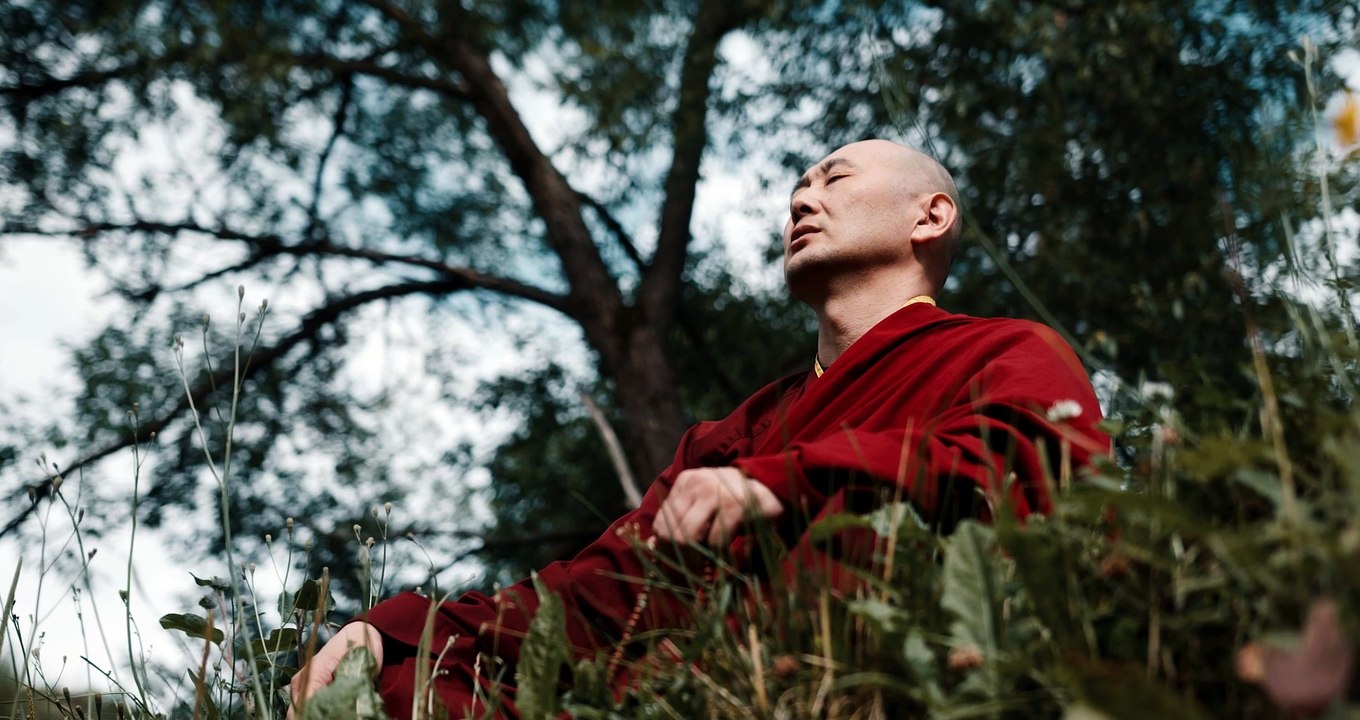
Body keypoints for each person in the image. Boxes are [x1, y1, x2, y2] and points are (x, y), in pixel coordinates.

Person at [291, 139, 1109, 719]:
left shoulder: (1005, 350)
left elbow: (1029, 466)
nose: (800, 199)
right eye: (798, 186)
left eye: (833, 177)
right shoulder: (734, 433)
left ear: (929, 217)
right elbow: (596, 595)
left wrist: (781, 484)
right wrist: (400, 631)